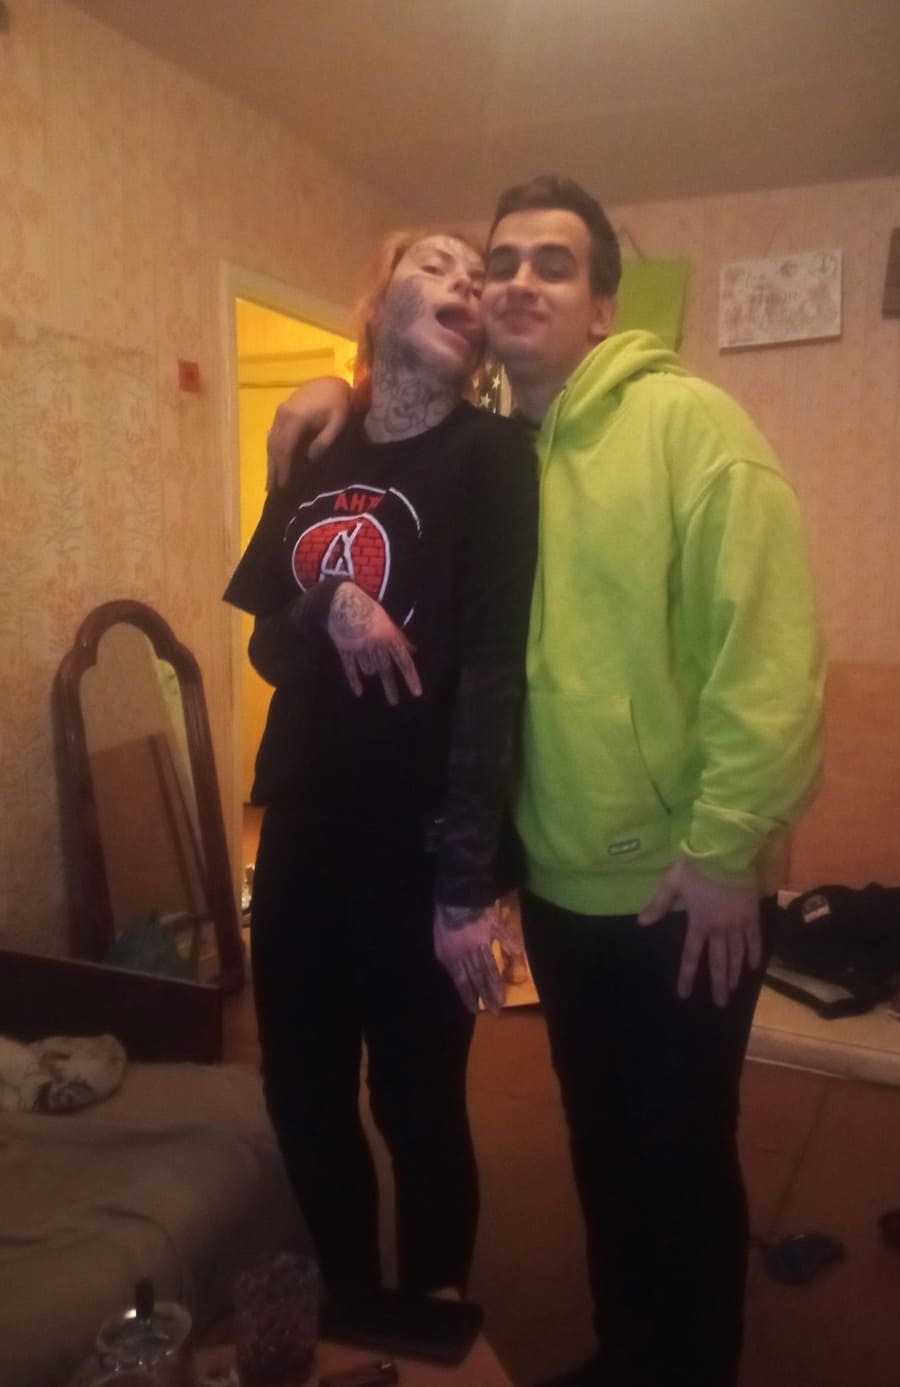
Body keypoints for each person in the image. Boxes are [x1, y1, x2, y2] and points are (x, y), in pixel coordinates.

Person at [266, 177, 824, 1387]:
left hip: (679, 883)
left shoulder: (688, 426)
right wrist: (329, 390)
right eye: (499, 260)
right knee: (599, 1150)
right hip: (561, 882)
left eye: (551, 264)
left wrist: (727, 849)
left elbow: (769, 656)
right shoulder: (505, 445)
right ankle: (628, 1355)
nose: (513, 281)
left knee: (682, 1155)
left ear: (604, 305)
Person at [224, 229, 538, 1304]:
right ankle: (355, 1304)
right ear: (375, 305)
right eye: (436, 264)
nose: (465, 283)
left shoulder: (493, 456)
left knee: (417, 1104)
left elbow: (495, 671)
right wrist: (329, 601)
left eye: (473, 278)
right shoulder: (315, 446)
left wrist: (467, 886)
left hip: (419, 841)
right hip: (302, 830)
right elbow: (268, 649)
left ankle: (436, 1318)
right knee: (301, 1092)